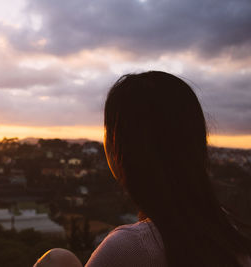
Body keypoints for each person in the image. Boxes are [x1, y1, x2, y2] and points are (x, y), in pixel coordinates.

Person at [34, 71, 251, 267]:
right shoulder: (228, 231)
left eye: (109, 131)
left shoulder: (131, 247)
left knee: (57, 259)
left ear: (124, 147)